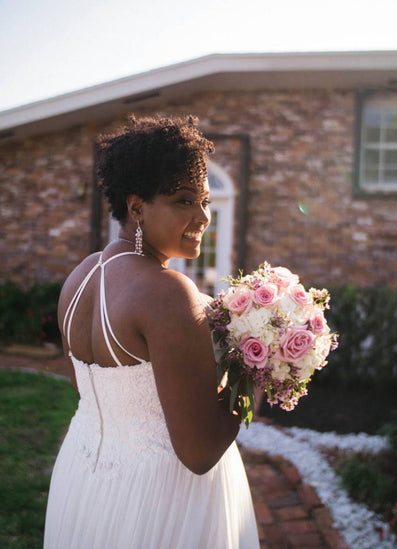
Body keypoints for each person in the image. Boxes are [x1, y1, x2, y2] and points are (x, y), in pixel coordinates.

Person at [43, 115, 259, 548]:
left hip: (84, 479)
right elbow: (198, 454)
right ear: (138, 206)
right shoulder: (166, 292)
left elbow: (91, 395)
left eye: (205, 201)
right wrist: (257, 367)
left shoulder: (80, 278)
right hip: (163, 499)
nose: (202, 217)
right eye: (183, 200)